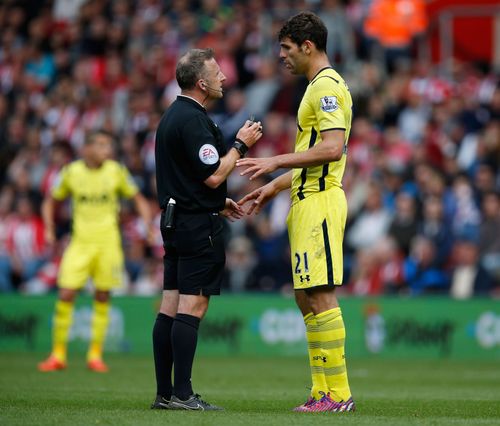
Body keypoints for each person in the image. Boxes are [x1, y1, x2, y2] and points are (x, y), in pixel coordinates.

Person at [237, 12, 355, 412]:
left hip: (320, 202)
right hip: (305, 199)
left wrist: (274, 162)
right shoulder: (314, 87)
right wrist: (272, 187)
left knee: (320, 295)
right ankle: (322, 392)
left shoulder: (325, 88)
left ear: (308, 46)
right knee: (305, 298)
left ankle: (338, 395)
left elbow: (332, 149)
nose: (281, 56)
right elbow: (317, 156)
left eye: (286, 48)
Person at [151, 48, 262, 411]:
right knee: (192, 306)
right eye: (217, 73)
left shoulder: (171, 116)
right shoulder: (194, 120)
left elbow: (189, 177)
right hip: (197, 226)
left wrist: (216, 202)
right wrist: (240, 145)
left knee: (169, 305)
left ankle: (165, 394)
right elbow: (214, 174)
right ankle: (183, 394)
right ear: (201, 83)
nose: (224, 78)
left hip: (174, 220)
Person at [38, 130, 153, 373]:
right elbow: (50, 201)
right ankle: (58, 354)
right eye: (101, 145)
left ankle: (95, 355)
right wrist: (49, 228)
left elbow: (139, 200)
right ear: (87, 148)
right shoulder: (71, 172)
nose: (107, 150)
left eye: (109, 146)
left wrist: (148, 227)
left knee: (102, 295)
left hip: (108, 244)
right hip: (79, 243)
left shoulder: (116, 171)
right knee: (66, 293)